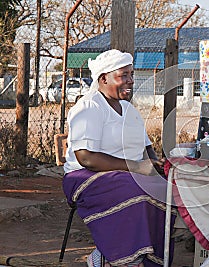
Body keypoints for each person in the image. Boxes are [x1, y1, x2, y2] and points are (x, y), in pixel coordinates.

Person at [62, 49, 175, 267]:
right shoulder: (89, 106)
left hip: (125, 173)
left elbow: (146, 148)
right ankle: (113, 258)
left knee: (165, 190)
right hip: (85, 176)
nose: (130, 81)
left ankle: (147, 259)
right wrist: (136, 167)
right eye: (123, 76)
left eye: (131, 75)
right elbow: (86, 157)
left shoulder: (128, 109)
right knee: (137, 189)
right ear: (103, 78)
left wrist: (155, 163)